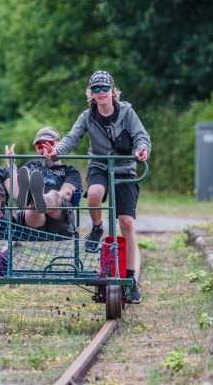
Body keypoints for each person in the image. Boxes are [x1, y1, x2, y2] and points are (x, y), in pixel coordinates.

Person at [52, 71, 151, 304]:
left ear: (112, 91)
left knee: (126, 223)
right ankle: (97, 228)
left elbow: (141, 136)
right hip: (100, 166)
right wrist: (57, 151)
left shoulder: (126, 111)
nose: (101, 93)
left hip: (124, 169)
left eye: (104, 88)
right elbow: (71, 138)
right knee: (94, 194)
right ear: (91, 94)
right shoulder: (87, 116)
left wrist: (141, 150)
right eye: (95, 89)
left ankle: (131, 279)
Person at [15, 127, 82, 234]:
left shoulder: (70, 171)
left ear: (59, 144)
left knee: (54, 195)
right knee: (33, 206)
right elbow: (17, 189)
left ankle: (38, 199)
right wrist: (11, 165)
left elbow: (67, 194)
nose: (45, 149)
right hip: (33, 219)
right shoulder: (29, 166)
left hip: (58, 218)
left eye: (50, 143)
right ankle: (35, 200)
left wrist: (46, 198)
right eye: (40, 146)